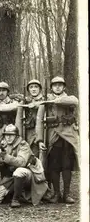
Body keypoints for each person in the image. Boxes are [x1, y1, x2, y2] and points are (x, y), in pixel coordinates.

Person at [36, 76, 80, 204]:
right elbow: (39, 121)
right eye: (55, 85)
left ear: (64, 87)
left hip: (68, 136)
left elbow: (74, 101)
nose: (58, 87)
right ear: (51, 88)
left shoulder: (69, 98)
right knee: (54, 167)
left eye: (60, 85)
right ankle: (56, 193)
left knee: (67, 166)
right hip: (53, 136)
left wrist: (55, 101)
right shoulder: (45, 101)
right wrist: (39, 140)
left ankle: (66, 194)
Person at [0, 125, 48, 207]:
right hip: (11, 176)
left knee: (19, 172)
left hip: (29, 174)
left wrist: (5, 157)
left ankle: (16, 199)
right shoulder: (4, 145)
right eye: (6, 135)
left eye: (11, 135)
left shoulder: (23, 145)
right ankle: (14, 192)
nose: (8, 137)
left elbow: (21, 163)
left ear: (16, 136)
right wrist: (0, 160)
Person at [0, 82, 22, 147]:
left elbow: (16, 107)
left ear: (7, 92)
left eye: (4, 90)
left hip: (11, 131)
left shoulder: (13, 103)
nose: (1, 93)